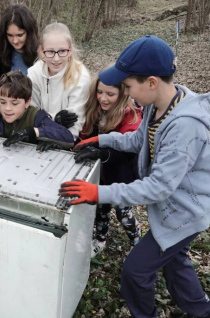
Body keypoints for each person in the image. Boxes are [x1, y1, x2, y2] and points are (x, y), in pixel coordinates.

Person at [59, 35, 210, 318]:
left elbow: (158, 187)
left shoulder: (184, 127)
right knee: (174, 261)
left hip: (186, 212)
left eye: (128, 86)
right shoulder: (157, 105)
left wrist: (98, 193)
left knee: (135, 271)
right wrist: (102, 139)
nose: (126, 92)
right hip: (175, 205)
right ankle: (202, 311)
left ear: (151, 82)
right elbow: (138, 141)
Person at [75, 72, 143, 257]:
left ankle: (137, 240)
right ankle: (100, 239)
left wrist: (104, 152)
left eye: (110, 94)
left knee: (123, 212)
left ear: (123, 94)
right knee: (101, 209)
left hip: (121, 176)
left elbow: (127, 149)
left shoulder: (131, 117)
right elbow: (86, 134)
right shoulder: (94, 111)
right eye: (99, 92)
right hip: (101, 174)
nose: (103, 98)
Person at [27, 22, 90, 140]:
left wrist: (45, 121)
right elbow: (31, 114)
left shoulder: (80, 77)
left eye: (62, 51)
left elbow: (74, 129)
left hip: (67, 141)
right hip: (38, 136)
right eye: (50, 51)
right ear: (42, 51)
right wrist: (55, 119)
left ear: (70, 50)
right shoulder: (34, 73)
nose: (56, 59)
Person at [0, 71, 74, 151]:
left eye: (15, 103)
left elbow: (68, 137)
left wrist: (34, 132)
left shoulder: (36, 117)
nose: (7, 108)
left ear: (27, 102)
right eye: (3, 102)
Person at [0, 3, 39, 123]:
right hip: (6, 118)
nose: (15, 41)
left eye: (20, 35)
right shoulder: (0, 55)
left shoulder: (41, 55)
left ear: (29, 32)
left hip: (33, 118)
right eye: (10, 35)